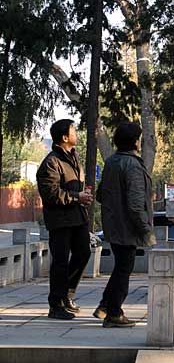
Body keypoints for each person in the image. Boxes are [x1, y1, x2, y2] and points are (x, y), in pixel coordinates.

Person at [94, 121, 156, 328]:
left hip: (113, 225)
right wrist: (146, 231)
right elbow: (136, 204)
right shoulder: (133, 165)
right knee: (124, 269)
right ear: (135, 142)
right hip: (127, 227)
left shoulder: (112, 161)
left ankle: (105, 305)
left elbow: (100, 194)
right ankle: (114, 312)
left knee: (121, 267)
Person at [37, 119, 93, 320]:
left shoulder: (73, 157)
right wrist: (77, 197)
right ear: (64, 137)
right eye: (73, 130)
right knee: (60, 261)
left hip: (78, 217)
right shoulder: (51, 162)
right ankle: (56, 304)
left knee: (84, 253)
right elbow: (51, 194)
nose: (76, 133)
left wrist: (82, 195)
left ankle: (67, 293)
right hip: (60, 220)